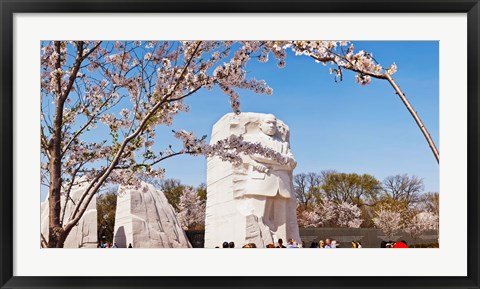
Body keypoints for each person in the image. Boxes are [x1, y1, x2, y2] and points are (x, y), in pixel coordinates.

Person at [242, 114, 300, 246]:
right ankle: (261, 243)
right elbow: (256, 155)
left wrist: (273, 163)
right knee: (259, 216)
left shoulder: (283, 144)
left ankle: (283, 242)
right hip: (261, 183)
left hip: (282, 184)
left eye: (274, 123)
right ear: (260, 125)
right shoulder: (253, 139)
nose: (272, 126)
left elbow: (292, 163)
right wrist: (281, 162)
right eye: (268, 123)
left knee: (282, 220)